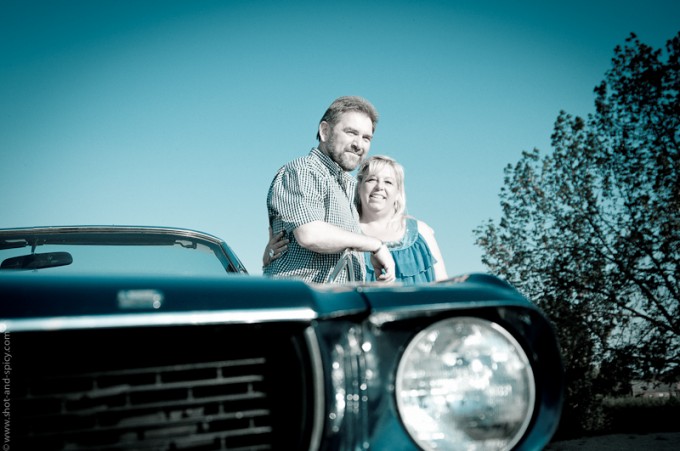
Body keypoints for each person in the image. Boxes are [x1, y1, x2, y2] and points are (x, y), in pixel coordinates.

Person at [263, 96, 395, 284]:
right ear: (325, 131)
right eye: (351, 132)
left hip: (340, 304)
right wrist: (375, 246)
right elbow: (310, 234)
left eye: (366, 138)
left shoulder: (350, 186)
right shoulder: (303, 170)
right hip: (301, 304)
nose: (359, 144)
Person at [265, 155, 448, 285]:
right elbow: (307, 248)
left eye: (388, 182)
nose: (379, 187)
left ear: (398, 194)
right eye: (371, 180)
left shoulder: (420, 231)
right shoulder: (343, 232)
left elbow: (443, 284)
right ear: (359, 188)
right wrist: (269, 254)